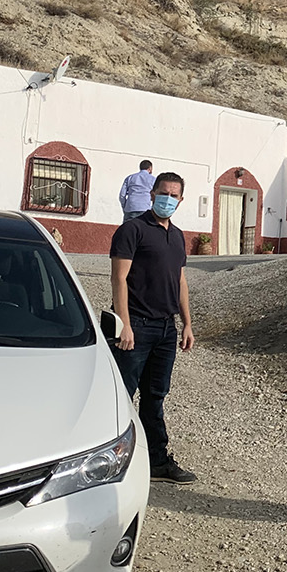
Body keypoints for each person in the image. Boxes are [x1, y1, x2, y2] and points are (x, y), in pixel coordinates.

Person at [110, 171, 198, 485]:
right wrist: (125, 325)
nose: (167, 199)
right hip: (136, 327)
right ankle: (107, 463)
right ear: (152, 194)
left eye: (174, 195)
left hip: (165, 329)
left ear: (181, 200)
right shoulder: (132, 230)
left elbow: (180, 281)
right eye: (163, 193)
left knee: (155, 397)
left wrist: (187, 323)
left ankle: (157, 462)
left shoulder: (178, 236)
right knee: (121, 396)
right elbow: (118, 278)